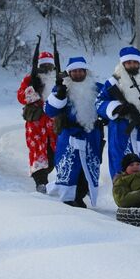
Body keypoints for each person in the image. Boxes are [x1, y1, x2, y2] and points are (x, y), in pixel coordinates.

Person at [44, 55, 105, 208]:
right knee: (69, 168)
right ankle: (68, 198)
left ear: (86, 72)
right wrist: (59, 96)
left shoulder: (97, 88)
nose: (78, 74)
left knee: (89, 169)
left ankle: (80, 196)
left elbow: (105, 106)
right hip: (69, 135)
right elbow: (49, 111)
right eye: (74, 71)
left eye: (81, 71)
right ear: (69, 73)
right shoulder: (62, 88)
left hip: (92, 135)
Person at [97, 45, 140, 178]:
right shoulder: (112, 83)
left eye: (135, 62)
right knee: (120, 164)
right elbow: (99, 103)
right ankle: (121, 192)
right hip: (120, 130)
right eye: (128, 62)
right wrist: (116, 108)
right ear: (122, 64)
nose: (131, 65)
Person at [17, 50, 59, 192]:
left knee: (53, 155)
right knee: (37, 154)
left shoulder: (56, 78)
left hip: (53, 125)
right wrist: (33, 90)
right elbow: (21, 97)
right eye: (43, 65)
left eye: (49, 64)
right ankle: (40, 182)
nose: (46, 67)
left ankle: (47, 177)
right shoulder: (30, 79)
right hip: (35, 125)